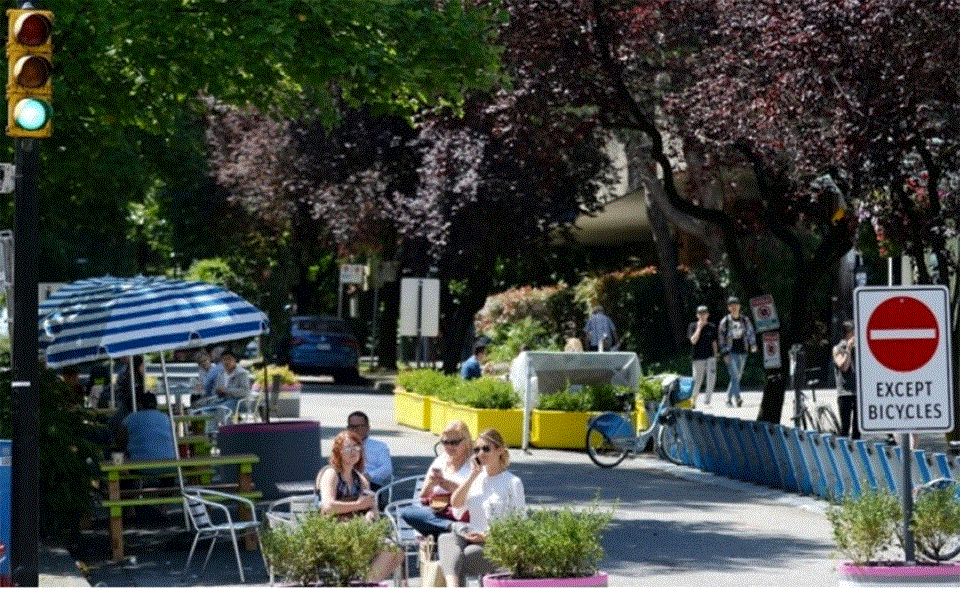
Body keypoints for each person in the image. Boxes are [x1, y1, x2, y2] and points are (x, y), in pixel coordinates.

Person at [438, 428, 526, 587]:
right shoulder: (476, 478)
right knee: (446, 538)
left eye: (486, 448)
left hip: (496, 544)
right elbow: (456, 504)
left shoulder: (512, 482)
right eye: (477, 449)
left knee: (453, 560)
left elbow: (518, 525)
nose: (480, 453)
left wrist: (486, 536)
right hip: (469, 538)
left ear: (499, 450)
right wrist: (472, 476)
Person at [315, 430, 402, 583]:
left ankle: (367, 582)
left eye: (357, 448)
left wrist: (370, 514)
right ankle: (366, 584)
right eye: (348, 448)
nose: (353, 452)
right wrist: (357, 505)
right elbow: (327, 507)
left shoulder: (361, 479)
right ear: (338, 452)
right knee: (389, 548)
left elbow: (372, 507)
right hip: (333, 529)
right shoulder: (331, 474)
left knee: (399, 550)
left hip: (358, 528)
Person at [401, 420, 474, 538]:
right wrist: (430, 483)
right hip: (437, 513)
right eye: (445, 442)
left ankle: (450, 527)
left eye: (454, 442)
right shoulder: (440, 461)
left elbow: (475, 497)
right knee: (407, 512)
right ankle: (451, 527)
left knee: (429, 527)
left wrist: (451, 486)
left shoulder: (473, 464)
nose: (449, 446)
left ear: (467, 442)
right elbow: (422, 497)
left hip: (463, 514)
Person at [347, 411, 393, 504]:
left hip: (370, 482)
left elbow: (387, 469)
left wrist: (368, 475)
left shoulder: (379, 446)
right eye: (352, 427)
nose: (355, 430)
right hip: (346, 481)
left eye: (359, 426)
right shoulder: (342, 446)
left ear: (367, 427)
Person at [718, 296, 757, 407]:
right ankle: (738, 398)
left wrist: (753, 344)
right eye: (731, 305)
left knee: (737, 376)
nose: (734, 307)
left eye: (736, 305)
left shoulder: (745, 320)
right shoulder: (725, 321)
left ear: (739, 306)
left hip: (743, 350)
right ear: (729, 308)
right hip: (730, 351)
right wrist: (724, 353)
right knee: (735, 376)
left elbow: (750, 332)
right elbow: (721, 338)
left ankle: (728, 399)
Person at [119, 392, 176, 462]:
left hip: (140, 465)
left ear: (140, 404)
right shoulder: (166, 418)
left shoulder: (131, 418)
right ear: (156, 404)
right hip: (169, 463)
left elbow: (121, 440)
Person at [833, 321, 859, 440]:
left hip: (858, 392)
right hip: (845, 393)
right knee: (845, 428)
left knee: (857, 428)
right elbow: (844, 367)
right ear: (848, 334)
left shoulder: (859, 348)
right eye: (854, 333)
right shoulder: (838, 348)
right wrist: (848, 349)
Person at [688, 305, 718, 408]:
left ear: (708, 315)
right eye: (700, 314)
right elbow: (693, 341)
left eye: (704, 313)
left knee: (711, 378)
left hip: (710, 356)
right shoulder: (692, 326)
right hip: (697, 357)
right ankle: (693, 401)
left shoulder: (712, 327)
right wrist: (699, 328)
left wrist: (716, 355)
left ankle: (707, 401)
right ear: (697, 315)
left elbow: (714, 342)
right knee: (697, 380)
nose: (702, 316)